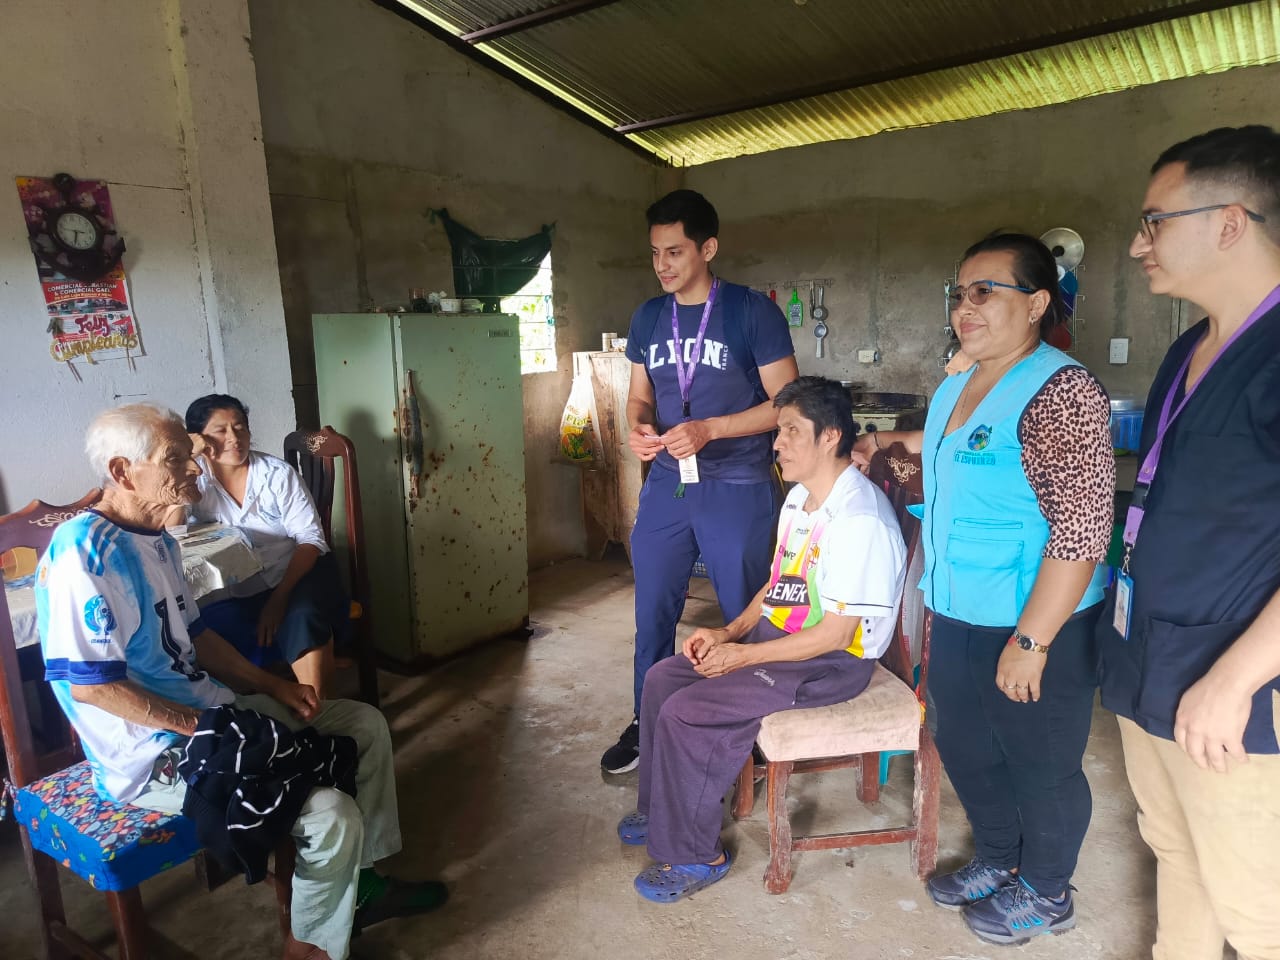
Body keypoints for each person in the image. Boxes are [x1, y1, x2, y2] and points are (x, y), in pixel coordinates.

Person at [36, 403, 445, 960]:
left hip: (214, 713)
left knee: (363, 724)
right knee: (330, 815)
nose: (194, 468)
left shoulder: (157, 539)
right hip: (153, 752)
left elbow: (197, 638)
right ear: (122, 471)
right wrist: (203, 725)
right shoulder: (83, 553)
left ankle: (362, 885)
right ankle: (309, 948)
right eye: (175, 458)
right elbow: (92, 687)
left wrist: (273, 687)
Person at [854, 234, 1113, 945]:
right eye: (959, 293)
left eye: (985, 292)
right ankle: (1000, 858)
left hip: (1035, 620)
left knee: (1042, 762)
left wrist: (1033, 641)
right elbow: (952, 448)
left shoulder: (1062, 391)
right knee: (966, 745)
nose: (965, 307)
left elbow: (1083, 530)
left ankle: (1048, 890)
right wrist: (883, 446)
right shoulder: (959, 382)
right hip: (957, 608)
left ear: (1035, 304)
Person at [616, 376, 907, 902]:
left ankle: (697, 854)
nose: (777, 443)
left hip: (830, 660)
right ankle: (662, 810)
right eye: (779, 430)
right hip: (783, 640)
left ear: (830, 436)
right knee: (663, 680)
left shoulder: (858, 520)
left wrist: (742, 657)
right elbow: (777, 586)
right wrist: (726, 632)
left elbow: (836, 633)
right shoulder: (799, 500)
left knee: (690, 711)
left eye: (791, 431)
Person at [1097, 125, 1280, 960]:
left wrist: (1235, 682)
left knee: (1258, 911)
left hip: (1233, 691)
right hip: (1155, 665)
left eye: (1155, 222)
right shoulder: (1189, 347)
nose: (1140, 244)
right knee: (1177, 855)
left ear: (1231, 222)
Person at [602, 189, 799, 774]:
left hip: (737, 481)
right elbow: (639, 396)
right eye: (655, 252)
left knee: (743, 610)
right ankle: (647, 719)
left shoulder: (750, 312)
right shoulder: (648, 317)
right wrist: (639, 426)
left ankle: (751, 726)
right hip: (669, 481)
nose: (662, 265)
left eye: (675, 251)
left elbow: (787, 403)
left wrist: (712, 428)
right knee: (653, 610)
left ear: (707, 248)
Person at [178, 394, 345, 700]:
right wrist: (184, 461)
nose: (234, 438)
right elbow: (172, 529)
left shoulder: (276, 475)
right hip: (239, 584)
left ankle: (320, 711)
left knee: (302, 617)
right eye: (220, 431)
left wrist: (278, 600)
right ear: (198, 439)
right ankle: (251, 706)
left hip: (295, 572)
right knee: (193, 627)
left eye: (240, 427)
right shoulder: (196, 480)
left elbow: (311, 540)